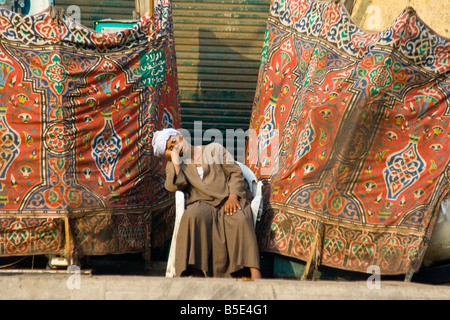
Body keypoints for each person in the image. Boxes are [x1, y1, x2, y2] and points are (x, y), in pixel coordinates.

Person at [152, 128, 261, 279]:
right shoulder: (176, 166)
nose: (175, 147)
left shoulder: (214, 149)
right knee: (192, 216)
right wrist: (175, 162)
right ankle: (197, 273)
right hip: (202, 203)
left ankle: (254, 272)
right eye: (170, 149)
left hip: (227, 197)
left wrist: (233, 196)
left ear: (181, 137)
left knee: (240, 218)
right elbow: (175, 186)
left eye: (174, 142)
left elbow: (235, 173)